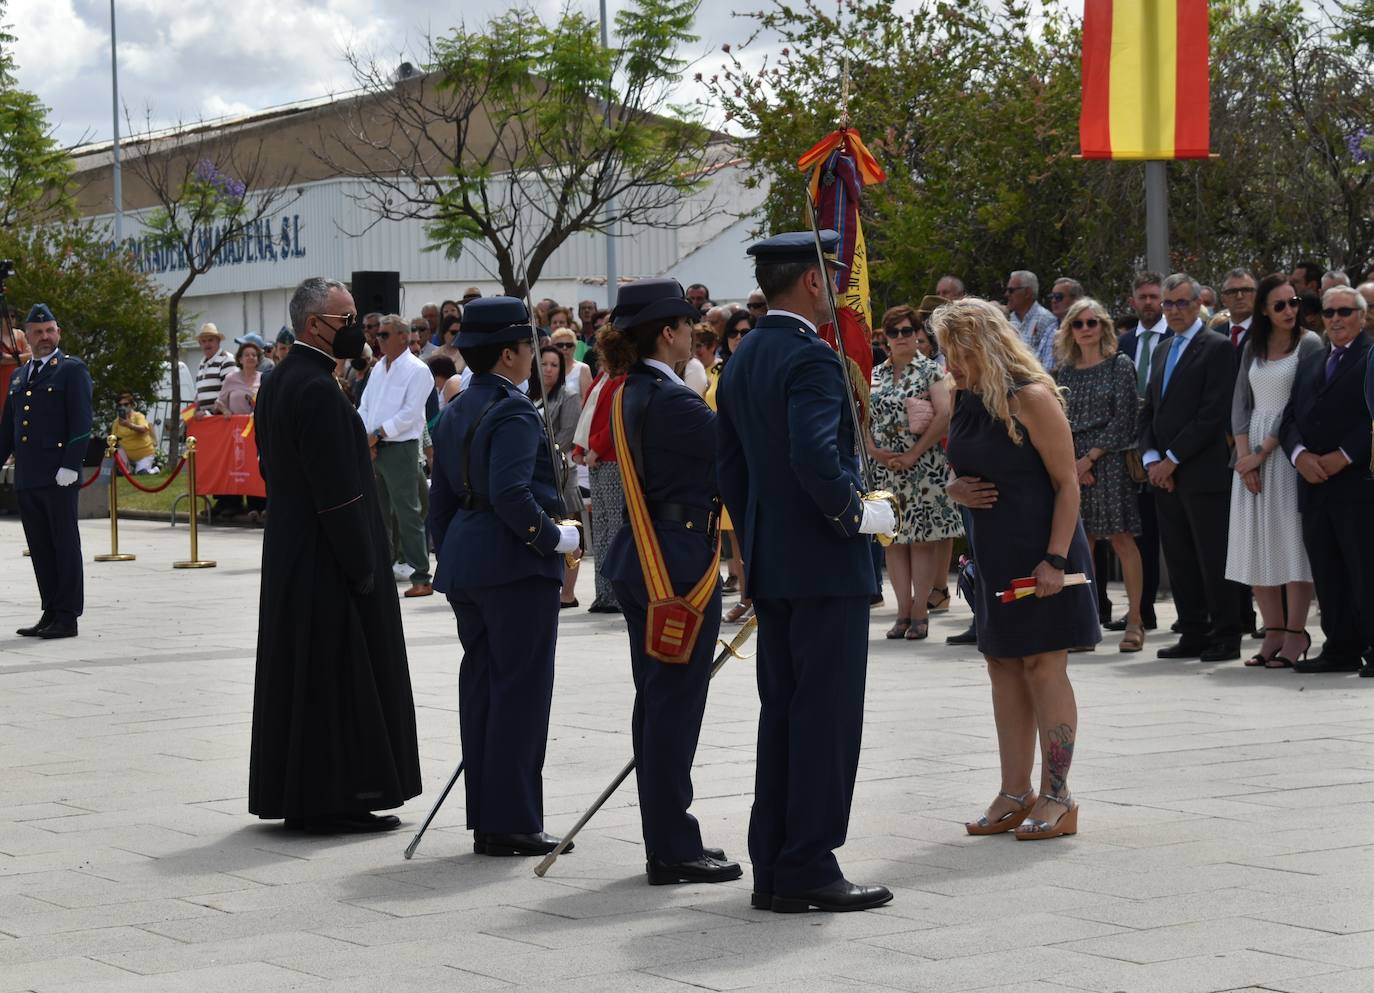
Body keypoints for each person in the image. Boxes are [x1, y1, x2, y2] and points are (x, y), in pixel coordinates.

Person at [717, 229, 895, 914]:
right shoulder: (810, 360)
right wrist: (856, 515)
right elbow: (816, 456)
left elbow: (730, 469)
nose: (844, 289)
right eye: (837, 277)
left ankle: (776, 862)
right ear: (814, 283)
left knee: (785, 715)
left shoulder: (743, 356)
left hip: (777, 563)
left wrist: (767, 538)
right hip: (824, 566)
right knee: (825, 717)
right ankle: (810, 863)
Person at [248, 278, 422, 833]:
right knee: (336, 678)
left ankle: (306, 792)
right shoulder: (317, 390)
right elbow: (340, 492)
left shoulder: (282, 382)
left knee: (306, 676)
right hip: (328, 557)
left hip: (294, 548)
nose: (357, 328)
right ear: (313, 326)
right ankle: (338, 796)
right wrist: (361, 564)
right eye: (345, 319)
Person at [933, 297, 1096, 841]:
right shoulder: (965, 397)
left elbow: (1067, 483)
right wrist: (951, 488)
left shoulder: (1032, 397)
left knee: (1043, 668)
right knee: (1002, 666)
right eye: (946, 353)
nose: (950, 364)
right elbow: (961, 469)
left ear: (985, 345)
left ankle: (1058, 795)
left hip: (1042, 554)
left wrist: (1054, 559)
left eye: (958, 353)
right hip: (992, 553)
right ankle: (1014, 789)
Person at [598, 278, 741, 886]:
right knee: (674, 709)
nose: (695, 335)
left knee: (658, 704)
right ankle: (672, 847)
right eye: (687, 325)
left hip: (642, 552)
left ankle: (667, 839)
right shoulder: (674, 400)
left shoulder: (627, 389)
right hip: (675, 565)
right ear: (667, 332)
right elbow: (736, 461)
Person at [429, 296, 580, 856]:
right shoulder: (515, 412)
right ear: (511, 353)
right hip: (515, 566)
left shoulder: (456, 409)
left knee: (484, 692)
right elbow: (514, 494)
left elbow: (440, 503)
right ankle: (514, 822)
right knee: (520, 694)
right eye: (529, 347)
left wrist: (454, 554)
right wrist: (555, 537)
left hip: (470, 563)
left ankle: (490, 820)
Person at [1139, 273, 1247, 662]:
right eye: (1168, 304)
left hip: (1202, 473)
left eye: (1182, 303)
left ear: (1199, 303)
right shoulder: (1162, 349)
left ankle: (1226, 633)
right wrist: (1152, 460)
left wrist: (1172, 459)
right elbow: (1150, 410)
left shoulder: (1216, 347)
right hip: (1164, 478)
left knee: (1212, 557)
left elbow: (1212, 414)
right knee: (1181, 558)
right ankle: (1193, 630)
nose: (1174, 311)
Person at [1226, 274, 1322, 669]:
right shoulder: (1253, 346)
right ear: (1264, 309)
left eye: (1294, 302)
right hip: (1251, 456)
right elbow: (1240, 404)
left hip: (1287, 453)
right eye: (1279, 304)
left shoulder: (1310, 344)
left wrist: (1263, 453)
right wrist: (1244, 458)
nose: (1289, 311)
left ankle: (1297, 634)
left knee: (1291, 545)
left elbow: (1302, 402)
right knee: (1257, 545)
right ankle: (1273, 631)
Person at [1280, 285, 1374, 675]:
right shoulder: (1313, 359)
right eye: (1329, 312)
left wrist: (1345, 456)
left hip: (1356, 484)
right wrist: (1300, 456)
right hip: (1314, 484)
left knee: (1364, 569)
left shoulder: (1370, 356)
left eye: (1345, 312)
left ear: (1362, 316)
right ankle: (1340, 647)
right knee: (1328, 569)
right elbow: (1289, 418)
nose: (1336, 318)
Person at [1053, 299, 1147, 652]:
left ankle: (1135, 621)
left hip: (1108, 463)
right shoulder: (1066, 371)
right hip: (1072, 464)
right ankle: (1085, 624)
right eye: (1078, 324)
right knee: (1082, 545)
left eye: (1092, 322)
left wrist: (1090, 459)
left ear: (1103, 327)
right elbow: (1059, 420)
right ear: (1070, 331)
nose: (1086, 329)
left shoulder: (1119, 365)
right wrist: (1074, 462)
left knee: (1121, 539)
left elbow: (1125, 418)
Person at [869, 304, 963, 641]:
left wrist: (912, 454)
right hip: (886, 469)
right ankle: (902, 611)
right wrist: (873, 450)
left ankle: (921, 610)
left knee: (921, 542)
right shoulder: (875, 374)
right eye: (892, 333)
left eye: (906, 331)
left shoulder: (930, 371)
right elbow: (860, 416)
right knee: (893, 542)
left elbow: (943, 415)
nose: (900, 338)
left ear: (917, 334)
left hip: (922, 467)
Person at [1, 303, 92, 640]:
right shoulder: (19, 375)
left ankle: (67, 616)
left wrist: (71, 464)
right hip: (28, 477)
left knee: (64, 544)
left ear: (59, 333)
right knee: (40, 546)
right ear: (27, 336)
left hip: (58, 476)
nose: (44, 337)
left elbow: (82, 422)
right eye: (38, 332)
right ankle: (50, 609)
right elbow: (7, 430)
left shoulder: (71, 370)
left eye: (50, 330)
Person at [358, 314, 434, 598]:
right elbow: (365, 405)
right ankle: (382, 569)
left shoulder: (417, 370)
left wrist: (375, 435)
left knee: (407, 513)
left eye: (384, 335)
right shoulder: (379, 369)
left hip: (400, 448)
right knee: (378, 513)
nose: (378, 339)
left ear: (403, 336)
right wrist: (366, 437)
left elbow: (410, 414)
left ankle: (421, 576)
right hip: (376, 447)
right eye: (378, 335)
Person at [1111, 272, 1169, 632]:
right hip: (1132, 454)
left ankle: (1202, 614)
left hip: (1171, 448)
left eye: (1154, 296)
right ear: (1133, 301)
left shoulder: (1176, 338)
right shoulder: (1123, 344)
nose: (1148, 302)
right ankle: (1141, 609)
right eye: (1142, 297)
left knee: (1180, 536)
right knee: (1141, 533)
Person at [534, 343, 585, 608]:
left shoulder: (569, 394)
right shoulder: (531, 396)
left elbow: (567, 435)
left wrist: (538, 452)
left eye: (554, 365)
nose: (549, 369)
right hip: (539, 474)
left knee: (570, 531)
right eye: (544, 364)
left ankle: (569, 592)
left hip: (562, 472)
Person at [1005, 270, 1059, 370]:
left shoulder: (1046, 320)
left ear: (1027, 293)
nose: (1007, 294)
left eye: (1011, 290)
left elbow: (1048, 362)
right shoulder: (1007, 320)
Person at [193, 324, 236, 413]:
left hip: (221, 417)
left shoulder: (226, 360)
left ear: (218, 341)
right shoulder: (201, 364)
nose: (207, 344)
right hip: (206, 418)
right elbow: (198, 393)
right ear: (200, 344)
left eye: (210, 340)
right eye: (203, 341)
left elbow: (229, 393)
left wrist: (211, 412)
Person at [111, 391, 157, 474]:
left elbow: (144, 429)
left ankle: (155, 470)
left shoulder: (138, 416)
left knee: (141, 473)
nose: (123, 407)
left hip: (144, 454)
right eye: (120, 405)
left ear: (131, 405)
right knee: (118, 450)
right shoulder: (116, 422)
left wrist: (129, 425)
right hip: (127, 455)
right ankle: (127, 469)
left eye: (126, 404)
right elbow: (112, 439)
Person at [214, 340, 263, 414]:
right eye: (247, 355)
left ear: (258, 360)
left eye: (254, 355)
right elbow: (219, 403)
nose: (251, 357)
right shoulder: (231, 378)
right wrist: (225, 411)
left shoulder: (263, 378)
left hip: (257, 424)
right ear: (240, 360)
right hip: (236, 424)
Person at [1220, 269, 1257, 351]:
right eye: (1232, 291)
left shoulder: (1269, 332)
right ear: (1223, 299)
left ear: (1257, 295)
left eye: (1246, 290)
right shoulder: (1215, 335)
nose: (1239, 296)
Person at [550, 328, 592, 401]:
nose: (565, 348)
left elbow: (587, 400)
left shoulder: (583, 368)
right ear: (552, 347)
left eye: (569, 345)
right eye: (560, 345)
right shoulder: (548, 369)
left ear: (575, 347)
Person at [0, 306, 30, 396]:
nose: (10, 319)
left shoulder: (20, 334)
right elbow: (2, 360)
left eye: (13, 316)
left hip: (18, 378)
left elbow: (31, 355)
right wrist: (20, 358)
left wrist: (9, 358)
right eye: (6, 316)